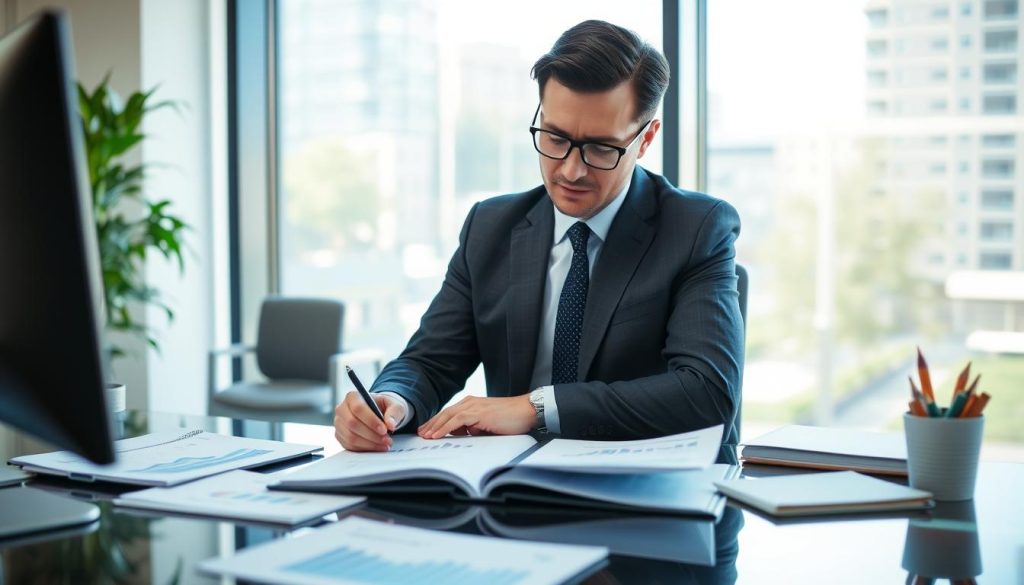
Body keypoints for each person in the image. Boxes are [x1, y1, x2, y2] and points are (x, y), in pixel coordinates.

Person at [334, 19, 743, 461]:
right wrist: (391, 400)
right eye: (555, 138)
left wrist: (536, 407)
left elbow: (707, 392)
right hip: (506, 489)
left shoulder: (696, 228)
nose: (571, 170)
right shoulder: (490, 227)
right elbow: (430, 360)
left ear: (645, 139)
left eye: (602, 148)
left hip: (647, 490)